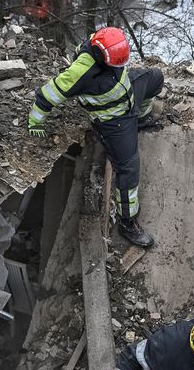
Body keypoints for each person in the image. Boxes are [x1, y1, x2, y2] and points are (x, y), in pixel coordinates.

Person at [27, 27, 162, 247]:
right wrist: (35, 121)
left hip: (127, 96)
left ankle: (141, 118)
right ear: (102, 57)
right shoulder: (80, 72)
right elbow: (48, 95)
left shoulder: (103, 41)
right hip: (114, 121)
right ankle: (128, 222)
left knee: (155, 78)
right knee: (128, 168)